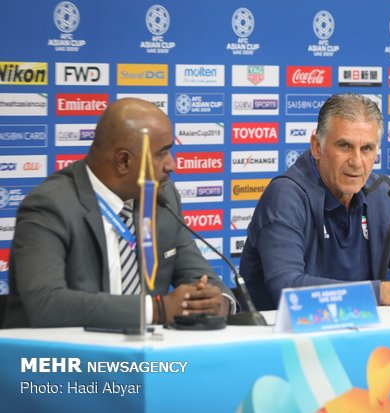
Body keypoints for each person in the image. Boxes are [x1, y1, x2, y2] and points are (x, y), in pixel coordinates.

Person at [3, 98, 234, 328]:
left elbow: (200, 276)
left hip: (143, 355)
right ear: (124, 161)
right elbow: (46, 304)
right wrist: (156, 309)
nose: (171, 165)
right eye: (161, 154)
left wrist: (216, 302)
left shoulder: (160, 199)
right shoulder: (51, 205)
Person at [240, 93, 390, 310]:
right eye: (344, 146)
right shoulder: (286, 196)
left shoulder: (384, 195)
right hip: (284, 337)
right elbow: (287, 289)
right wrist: (384, 292)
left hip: (361, 333)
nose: (357, 162)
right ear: (316, 147)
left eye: (366, 148)